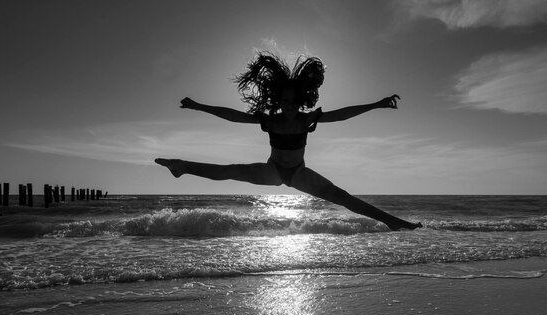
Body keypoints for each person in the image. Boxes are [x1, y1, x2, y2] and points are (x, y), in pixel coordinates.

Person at [156, 52, 422, 230]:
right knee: (230, 171)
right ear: (278, 101)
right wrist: (199, 106)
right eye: (285, 100)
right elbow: (234, 116)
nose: (290, 104)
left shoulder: (306, 120)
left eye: (294, 101)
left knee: (341, 196)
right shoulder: (271, 121)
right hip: (272, 170)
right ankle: (181, 166)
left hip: (298, 173)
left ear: (301, 100)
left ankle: (393, 222)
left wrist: (377, 104)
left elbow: (343, 115)